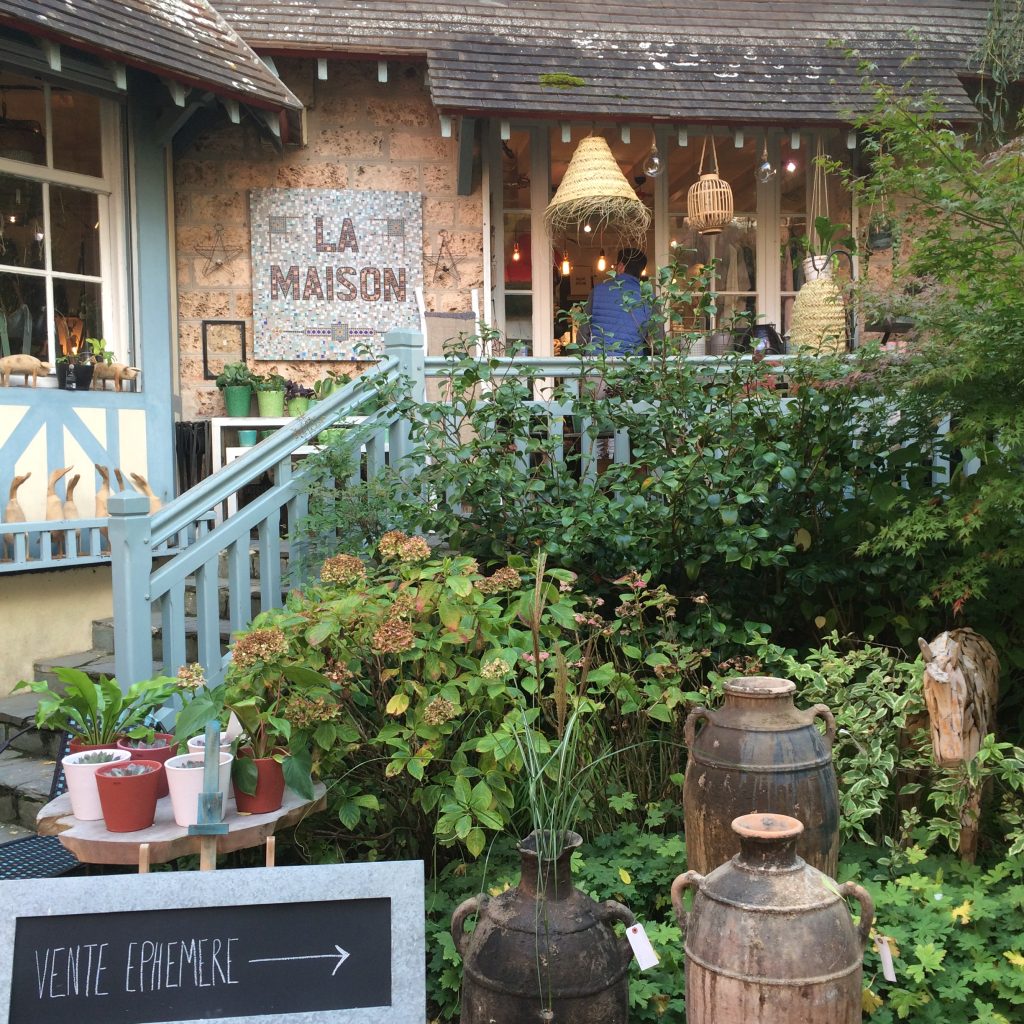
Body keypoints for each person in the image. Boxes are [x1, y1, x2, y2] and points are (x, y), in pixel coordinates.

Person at [575, 248, 652, 356]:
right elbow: (657, 344)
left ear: (620, 266)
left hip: (599, 364)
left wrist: (583, 355)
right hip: (631, 365)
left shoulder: (597, 291)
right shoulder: (648, 297)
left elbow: (582, 335)